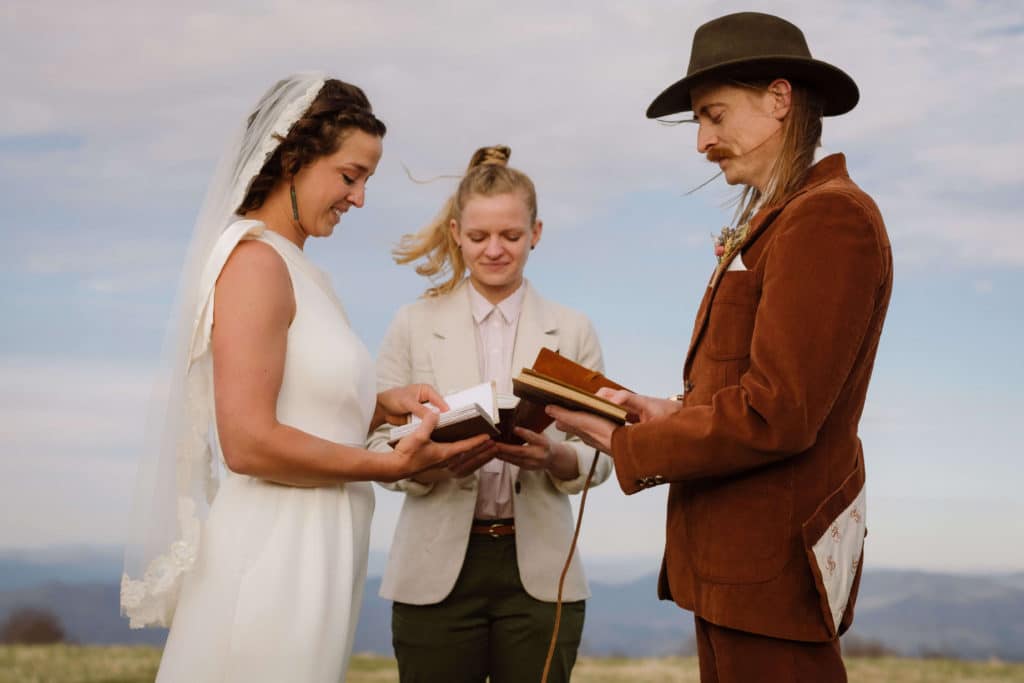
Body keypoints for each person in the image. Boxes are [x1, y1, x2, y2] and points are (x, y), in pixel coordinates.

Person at [548, 12, 893, 683]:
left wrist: (623, 443)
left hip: (770, 580)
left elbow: (778, 414)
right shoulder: (781, 218)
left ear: (779, 99)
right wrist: (666, 410)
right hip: (736, 574)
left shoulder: (828, 218)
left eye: (713, 115)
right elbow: (750, 388)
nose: (702, 141)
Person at [119, 73, 490, 683]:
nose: (360, 198)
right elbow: (247, 442)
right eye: (350, 176)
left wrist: (379, 408)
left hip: (319, 549)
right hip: (274, 553)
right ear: (292, 159)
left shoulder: (299, 269)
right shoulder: (255, 263)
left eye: (366, 179)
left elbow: (296, 405)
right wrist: (391, 466)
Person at [367, 145, 614, 682]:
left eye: (511, 236)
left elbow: (605, 459)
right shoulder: (412, 323)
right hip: (434, 573)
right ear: (456, 232)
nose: (495, 250)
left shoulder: (573, 330)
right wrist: (428, 462)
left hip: (543, 578)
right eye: (479, 237)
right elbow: (374, 445)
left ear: (537, 233)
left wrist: (552, 456)